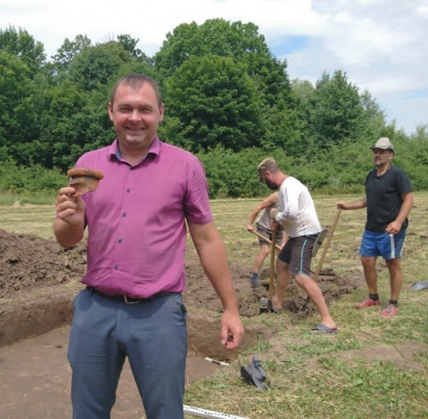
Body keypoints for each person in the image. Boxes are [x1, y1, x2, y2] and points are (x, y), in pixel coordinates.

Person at [54, 73, 244, 418]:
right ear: (111, 111)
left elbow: (207, 238)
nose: (135, 118)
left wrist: (230, 308)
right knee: (87, 412)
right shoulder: (88, 165)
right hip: (96, 311)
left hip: (158, 313)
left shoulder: (185, 166)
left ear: (161, 113)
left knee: (165, 412)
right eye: (125, 108)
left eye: (145, 109)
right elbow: (68, 239)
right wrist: (67, 219)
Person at [256, 157, 338, 334]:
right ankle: (277, 303)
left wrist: (276, 216)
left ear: (267, 174)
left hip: (305, 235)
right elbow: (293, 214)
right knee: (282, 264)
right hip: (295, 235)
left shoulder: (289, 185)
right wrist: (281, 223)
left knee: (300, 276)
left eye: (263, 180)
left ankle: (328, 321)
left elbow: (291, 211)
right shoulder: (287, 187)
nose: (265, 183)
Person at [337, 137, 413, 317]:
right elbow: (368, 200)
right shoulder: (371, 175)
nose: (376, 154)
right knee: (366, 261)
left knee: (392, 264)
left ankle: (393, 304)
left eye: (381, 151)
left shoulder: (397, 175)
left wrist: (398, 222)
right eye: (375, 151)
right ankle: (373, 297)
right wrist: (348, 206)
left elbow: (408, 199)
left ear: (391, 155)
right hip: (371, 228)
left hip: (391, 229)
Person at [245, 192, 286, 288]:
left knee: (282, 253)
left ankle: (281, 277)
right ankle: (254, 278)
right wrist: (250, 223)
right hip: (264, 226)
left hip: (279, 229)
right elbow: (259, 207)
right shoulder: (276, 196)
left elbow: (288, 225)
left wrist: (284, 242)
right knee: (265, 250)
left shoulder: (294, 203)